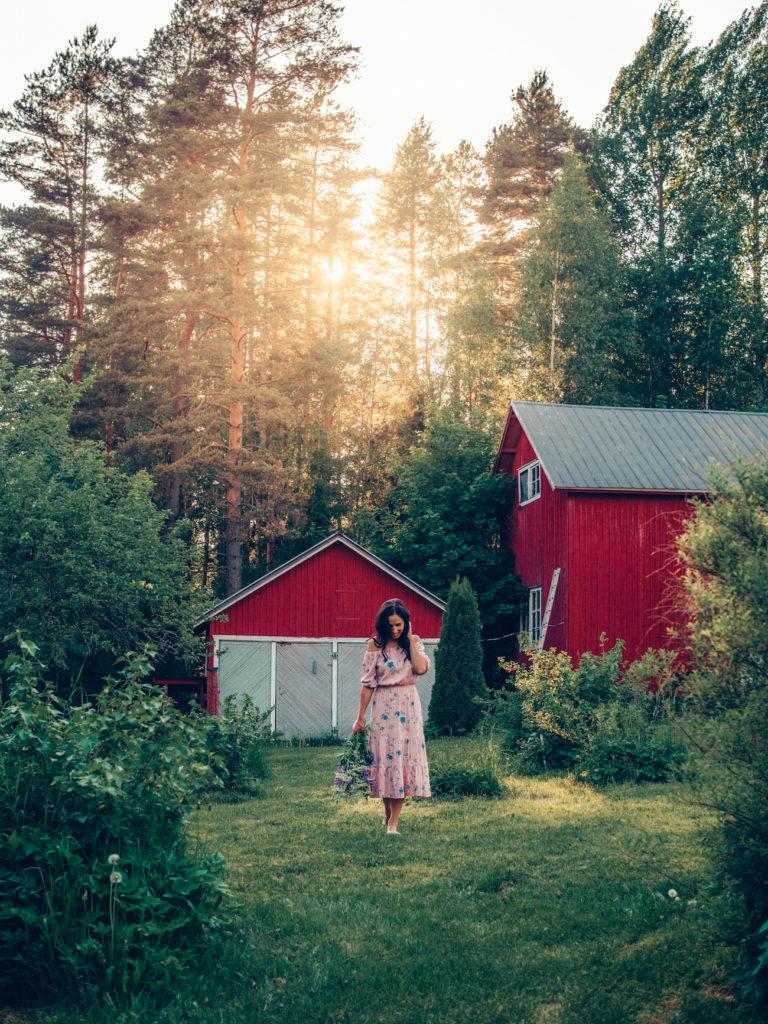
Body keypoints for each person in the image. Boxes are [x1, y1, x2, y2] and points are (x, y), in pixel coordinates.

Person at [352, 598, 432, 834]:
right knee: (385, 760)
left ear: (406, 623)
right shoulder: (374, 647)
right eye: (391, 626)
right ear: (383, 625)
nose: (395, 630)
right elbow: (367, 684)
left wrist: (409, 642)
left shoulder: (413, 642)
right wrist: (360, 718)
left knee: (403, 760)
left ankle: (394, 823)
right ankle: (387, 814)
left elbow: (421, 669)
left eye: (399, 625)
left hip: (408, 708)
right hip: (384, 707)